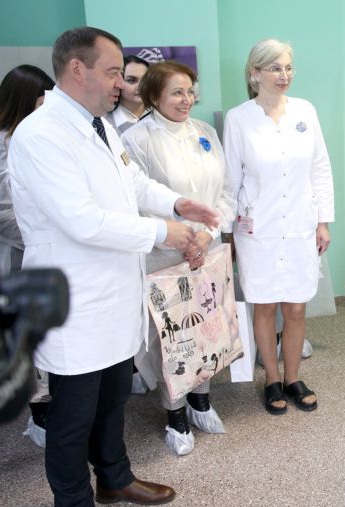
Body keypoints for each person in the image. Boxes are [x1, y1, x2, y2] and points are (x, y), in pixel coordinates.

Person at [7, 27, 218, 507]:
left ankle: (115, 478)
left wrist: (177, 204)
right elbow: (81, 220)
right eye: (112, 72)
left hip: (115, 291)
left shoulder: (97, 125)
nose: (121, 84)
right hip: (75, 299)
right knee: (73, 414)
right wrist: (165, 232)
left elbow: (133, 183)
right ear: (76, 69)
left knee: (113, 399)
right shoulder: (41, 134)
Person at [122, 61, 237, 455]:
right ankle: (174, 413)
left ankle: (200, 400)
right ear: (154, 95)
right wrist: (182, 237)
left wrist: (206, 234)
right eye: (176, 92)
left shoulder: (205, 132)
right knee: (171, 337)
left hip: (207, 248)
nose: (186, 99)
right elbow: (136, 201)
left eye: (190, 91)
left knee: (207, 326)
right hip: (163, 254)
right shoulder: (136, 139)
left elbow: (226, 191)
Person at [223, 38, 334, 416]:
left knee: (297, 307)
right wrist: (227, 234)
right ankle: (271, 379)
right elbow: (230, 179)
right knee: (265, 306)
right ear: (255, 73)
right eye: (274, 68)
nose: (284, 75)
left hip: (301, 225)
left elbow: (320, 168)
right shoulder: (239, 118)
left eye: (288, 67)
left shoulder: (305, 111)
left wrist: (323, 221)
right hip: (258, 230)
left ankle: (293, 377)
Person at [0, 65, 55, 446]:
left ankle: (48, 406)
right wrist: (42, 238)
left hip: (42, 252)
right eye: (40, 105)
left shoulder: (38, 137)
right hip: (12, 256)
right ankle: (39, 416)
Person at [105, 54, 149, 135]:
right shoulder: (103, 122)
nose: (141, 86)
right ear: (118, 82)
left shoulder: (162, 116)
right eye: (131, 80)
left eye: (145, 80)